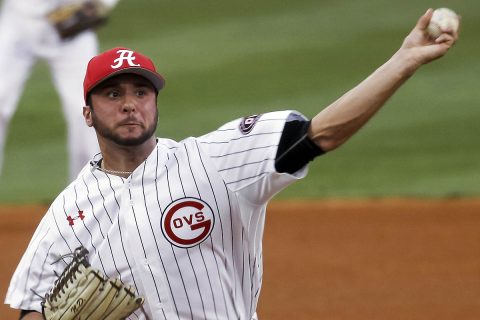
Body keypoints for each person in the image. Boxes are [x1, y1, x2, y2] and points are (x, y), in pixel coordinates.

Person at [5, 9, 459, 320]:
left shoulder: (213, 161)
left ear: (156, 103)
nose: (130, 105)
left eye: (141, 92)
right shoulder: (67, 215)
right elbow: (29, 308)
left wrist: (403, 61)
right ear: (88, 113)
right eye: (113, 94)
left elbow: (320, 133)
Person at [0, 0, 119, 181]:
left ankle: (86, 195)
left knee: (86, 110)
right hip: (17, 21)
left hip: (72, 26)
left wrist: (100, 4)